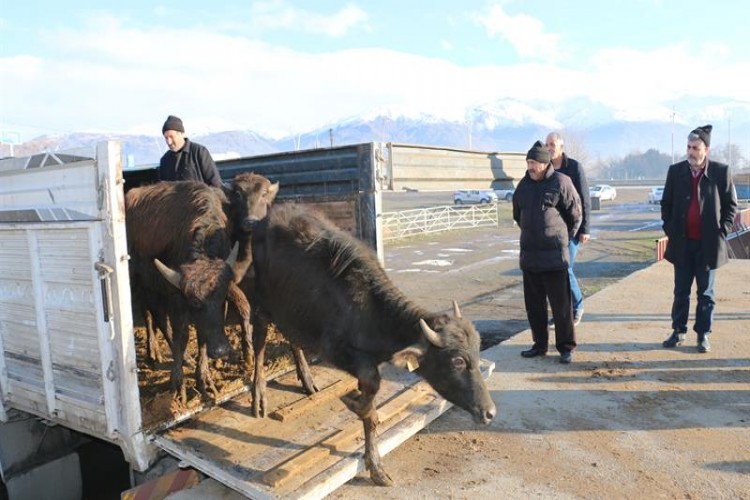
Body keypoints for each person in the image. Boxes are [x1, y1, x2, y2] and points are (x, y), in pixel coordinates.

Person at [661, 125, 737, 353]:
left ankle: (703, 334)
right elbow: (666, 204)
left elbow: (731, 206)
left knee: (706, 294)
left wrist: (722, 230)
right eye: (688, 147)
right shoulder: (675, 172)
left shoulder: (721, 172)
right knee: (681, 291)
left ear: (706, 150)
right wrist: (671, 230)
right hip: (683, 243)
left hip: (708, 246)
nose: (691, 152)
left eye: (695, 148)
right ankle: (678, 330)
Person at [513, 140, 582, 364]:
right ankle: (539, 345)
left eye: (534, 162)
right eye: (528, 162)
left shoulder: (561, 182)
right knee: (535, 308)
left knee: (561, 308)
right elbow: (517, 215)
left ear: (544, 164)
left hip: (554, 258)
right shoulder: (523, 185)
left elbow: (575, 214)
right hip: (530, 257)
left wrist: (562, 238)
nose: (530, 166)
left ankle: (566, 347)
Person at [546, 132, 590, 326]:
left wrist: (585, 229)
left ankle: (577, 306)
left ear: (561, 147)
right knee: (556, 271)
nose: (549, 148)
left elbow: (585, 199)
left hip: (572, 229)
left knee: (565, 268)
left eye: (553, 144)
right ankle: (561, 312)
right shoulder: (544, 169)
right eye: (547, 144)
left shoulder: (574, 167)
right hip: (552, 230)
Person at [158, 115, 223, 187]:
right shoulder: (165, 160)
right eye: (166, 138)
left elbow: (215, 183)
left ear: (182, 134)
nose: (169, 142)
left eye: (171, 137)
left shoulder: (199, 152)